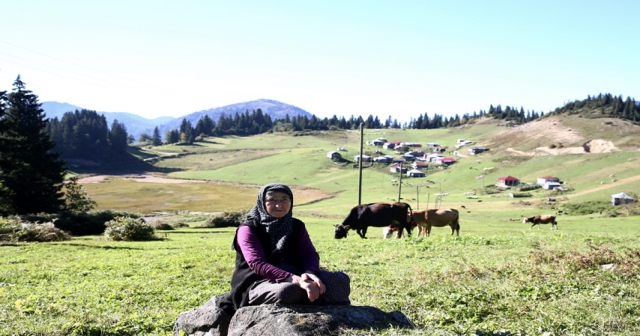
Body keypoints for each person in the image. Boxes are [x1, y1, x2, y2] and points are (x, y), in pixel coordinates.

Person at [221, 182, 350, 313]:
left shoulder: (296, 226)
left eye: (284, 199)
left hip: (296, 273)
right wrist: (296, 280)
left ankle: (309, 296)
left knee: (340, 280)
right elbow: (257, 263)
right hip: (257, 281)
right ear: (262, 202)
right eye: (272, 200)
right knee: (288, 291)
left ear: (291, 201)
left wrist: (309, 273)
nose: (279, 205)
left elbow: (309, 253)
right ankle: (316, 298)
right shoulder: (248, 229)